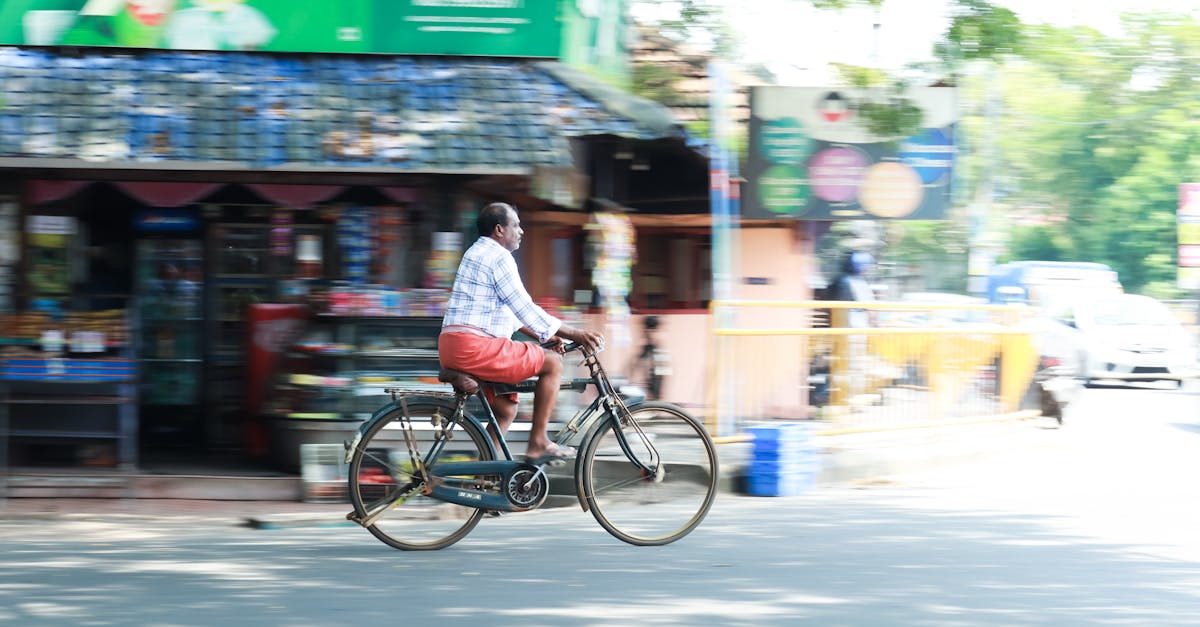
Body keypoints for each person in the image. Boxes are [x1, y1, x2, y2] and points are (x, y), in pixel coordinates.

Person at [439, 202, 604, 464]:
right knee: (552, 363)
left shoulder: (475, 253)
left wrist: (546, 335)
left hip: (453, 346)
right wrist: (576, 334)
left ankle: (486, 476)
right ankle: (538, 443)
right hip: (473, 346)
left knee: (506, 410)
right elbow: (524, 307)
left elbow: (507, 314)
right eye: (515, 225)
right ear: (499, 230)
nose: (521, 231)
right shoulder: (498, 257)